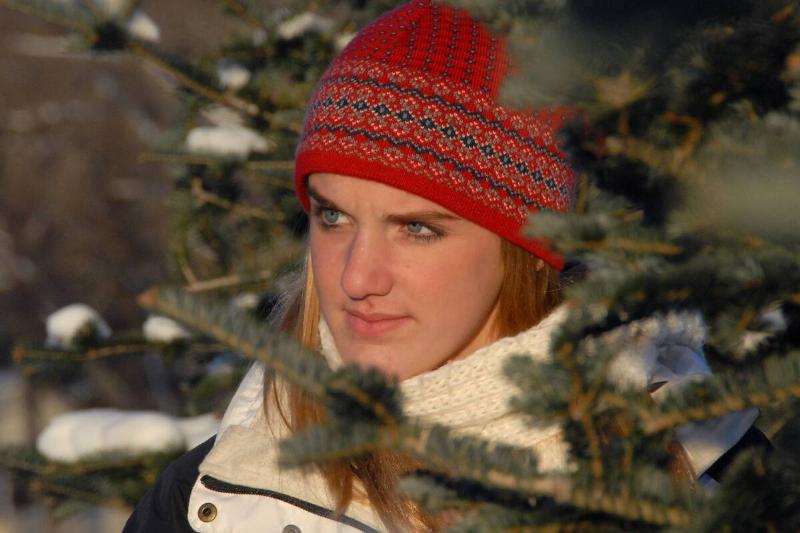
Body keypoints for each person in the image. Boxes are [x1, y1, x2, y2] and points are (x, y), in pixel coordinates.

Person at [124, 1, 765, 531]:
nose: (355, 278)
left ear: (526, 250)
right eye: (333, 217)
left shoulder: (719, 481)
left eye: (417, 228)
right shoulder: (216, 498)